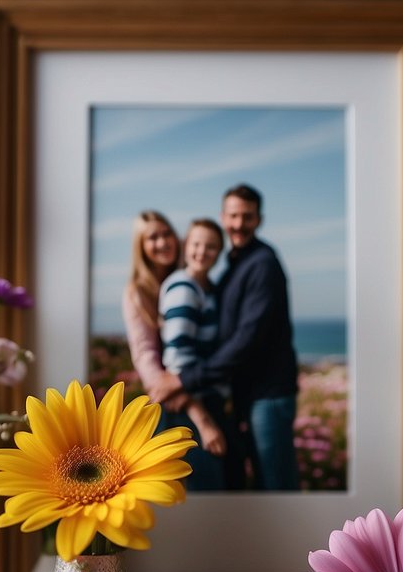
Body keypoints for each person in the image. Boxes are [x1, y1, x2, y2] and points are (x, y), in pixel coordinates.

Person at [151, 184, 299, 491]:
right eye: (233, 216)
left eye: (247, 217)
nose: (239, 224)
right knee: (257, 485)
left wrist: (184, 379)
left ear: (259, 219)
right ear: (223, 216)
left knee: (277, 489)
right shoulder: (232, 265)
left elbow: (248, 338)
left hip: (268, 394)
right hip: (246, 396)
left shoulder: (262, 264)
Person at [121, 210, 223, 489]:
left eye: (166, 233)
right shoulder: (138, 292)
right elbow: (147, 358)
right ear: (140, 246)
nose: (163, 242)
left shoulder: (189, 281)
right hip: (178, 403)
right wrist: (198, 412)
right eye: (152, 237)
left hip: (189, 392)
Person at [158, 219, 228, 458]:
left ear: (219, 252)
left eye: (211, 246)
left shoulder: (208, 287)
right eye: (196, 243)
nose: (202, 251)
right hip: (190, 408)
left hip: (204, 400)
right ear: (185, 245)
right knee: (204, 491)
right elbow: (178, 361)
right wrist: (203, 421)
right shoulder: (184, 287)